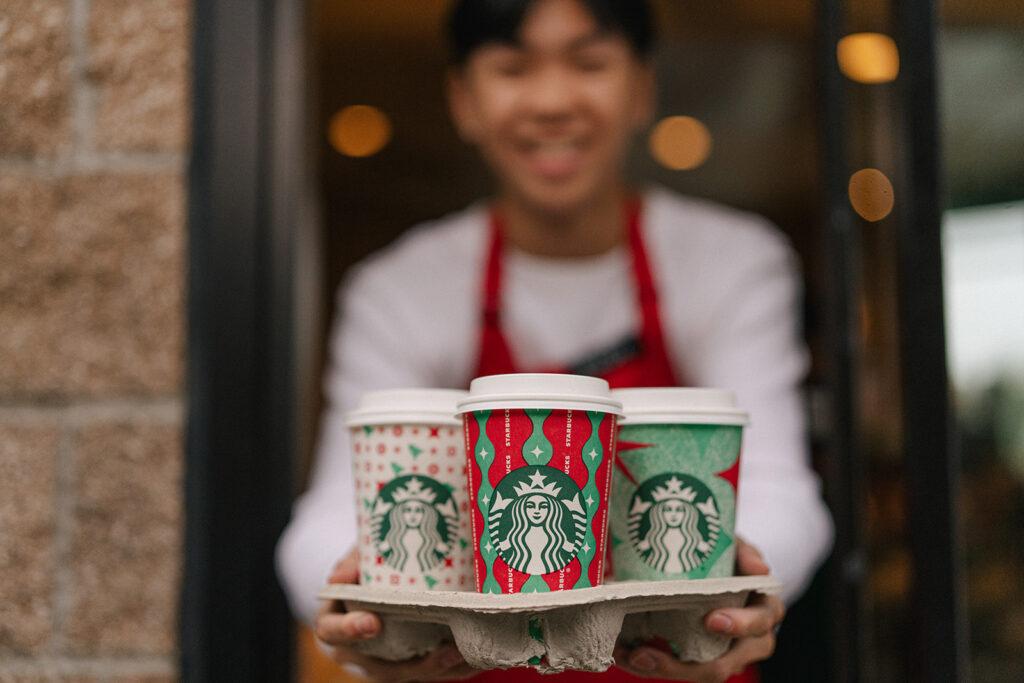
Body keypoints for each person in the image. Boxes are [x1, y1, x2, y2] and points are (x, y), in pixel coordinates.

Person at [276, 0, 833, 681]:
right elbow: (339, 507)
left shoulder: (731, 262)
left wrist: (743, 592)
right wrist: (358, 614)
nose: (551, 100)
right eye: (512, 68)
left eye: (590, 63)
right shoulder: (401, 287)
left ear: (642, 89)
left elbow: (777, 488)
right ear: (464, 100)